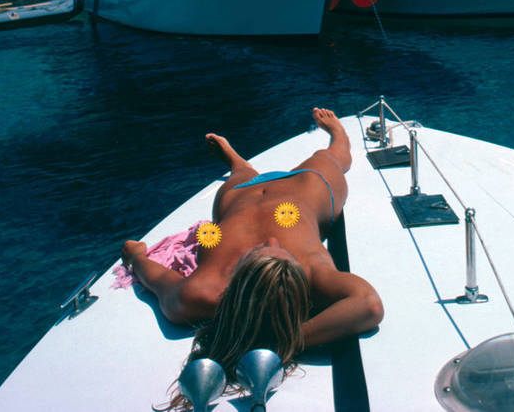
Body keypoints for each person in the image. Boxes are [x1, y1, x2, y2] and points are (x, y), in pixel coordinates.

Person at [122, 108, 383, 407]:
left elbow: (156, 279)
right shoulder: (311, 272)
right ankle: (336, 135)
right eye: (281, 251)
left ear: (239, 277)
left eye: (259, 251)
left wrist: (135, 256)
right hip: (307, 185)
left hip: (241, 195)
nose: (271, 239)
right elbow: (369, 305)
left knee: (241, 177)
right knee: (330, 158)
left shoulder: (202, 293)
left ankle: (239, 163)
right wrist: (288, 340)